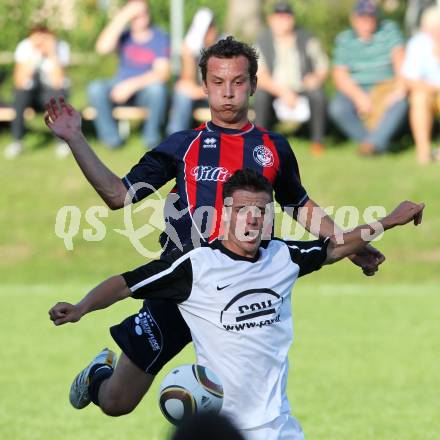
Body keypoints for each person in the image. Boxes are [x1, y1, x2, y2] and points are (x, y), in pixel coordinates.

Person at [45, 36, 385, 415]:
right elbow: (116, 195)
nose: (228, 93)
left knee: (249, 411)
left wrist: (348, 245)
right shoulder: (182, 145)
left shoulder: (273, 148)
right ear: (204, 85)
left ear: (254, 85)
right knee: (116, 403)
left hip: (244, 291)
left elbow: (299, 205)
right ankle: (97, 375)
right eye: (218, 82)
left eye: (238, 82)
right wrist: (75, 138)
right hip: (182, 287)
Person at [48, 169, 425, 440]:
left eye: (262, 212)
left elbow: (336, 246)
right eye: (243, 210)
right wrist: (81, 307)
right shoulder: (195, 266)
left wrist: (390, 221)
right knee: (116, 402)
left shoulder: (283, 256)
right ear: (225, 213)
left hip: (279, 427)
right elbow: (126, 283)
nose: (252, 219)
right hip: (221, 430)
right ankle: (99, 373)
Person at [328, 0, 408, 156]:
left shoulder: (389, 30)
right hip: (357, 87)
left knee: (400, 103)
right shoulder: (344, 39)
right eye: (362, 17)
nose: (366, 22)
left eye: (370, 17)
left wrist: (399, 88)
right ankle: (374, 143)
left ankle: (373, 144)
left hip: (386, 85)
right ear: (354, 19)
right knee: (337, 108)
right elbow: (339, 75)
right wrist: (359, 96)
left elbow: (400, 61)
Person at [87, 0, 170, 148]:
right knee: (95, 88)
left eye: (142, 13)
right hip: (119, 86)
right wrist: (124, 16)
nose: (139, 17)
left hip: (144, 91)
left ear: (148, 14)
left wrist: (131, 86)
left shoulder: (160, 37)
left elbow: (162, 73)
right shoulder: (125, 36)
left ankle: (151, 139)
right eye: (135, 15)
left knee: (158, 89)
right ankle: (111, 140)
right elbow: (101, 48)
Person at [254, 1, 329, 156]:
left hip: (302, 87)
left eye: (286, 17)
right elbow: (260, 75)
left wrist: (315, 78)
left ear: (293, 19)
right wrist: (283, 92)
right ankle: (260, 140)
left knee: (318, 94)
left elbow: (322, 66)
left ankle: (318, 142)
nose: (283, 21)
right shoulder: (262, 40)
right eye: (279, 17)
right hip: (275, 89)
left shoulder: (307, 37)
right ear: (271, 19)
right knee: (260, 95)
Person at [4, 24, 70, 159]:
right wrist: (35, 56)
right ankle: (17, 141)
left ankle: (61, 141)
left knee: (56, 96)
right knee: (19, 94)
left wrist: (51, 53)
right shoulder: (25, 47)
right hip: (31, 94)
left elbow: (58, 82)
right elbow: (19, 81)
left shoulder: (60, 47)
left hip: (52, 93)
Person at [166, 7, 219, 135]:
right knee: (182, 94)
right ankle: (175, 139)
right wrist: (187, 57)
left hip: (217, 97)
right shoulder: (196, 49)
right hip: (202, 96)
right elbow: (186, 81)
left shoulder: (223, 49)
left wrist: (196, 91)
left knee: (184, 92)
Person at [402, 6, 440, 164]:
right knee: (419, 98)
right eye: (434, 28)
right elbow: (409, 80)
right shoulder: (417, 44)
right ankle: (423, 151)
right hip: (428, 93)